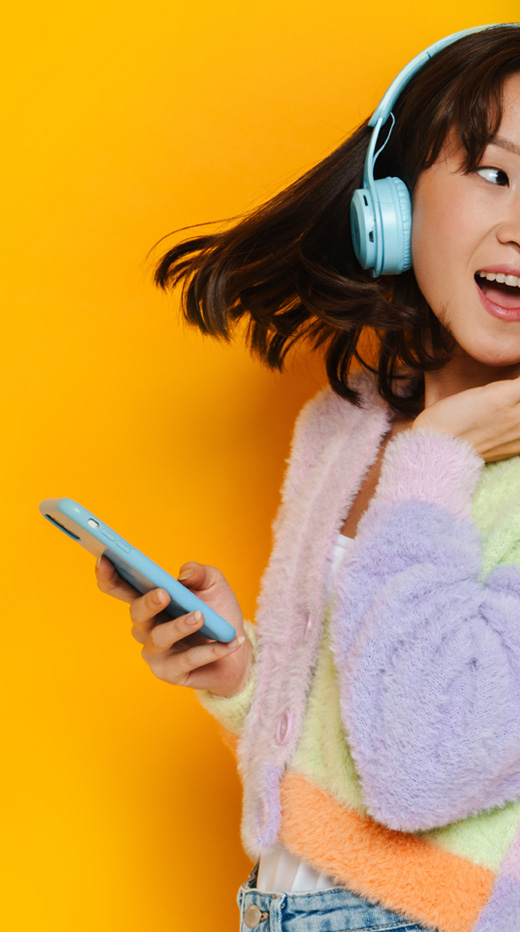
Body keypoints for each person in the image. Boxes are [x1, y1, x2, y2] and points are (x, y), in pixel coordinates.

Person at [96, 23, 520, 932]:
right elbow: (344, 742)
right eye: (494, 173)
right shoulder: (351, 424)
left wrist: (438, 455)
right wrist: (239, 677)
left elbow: (421, 766)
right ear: (394, 203)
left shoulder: (426, 455)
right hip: (280, 898)